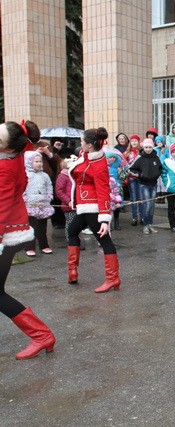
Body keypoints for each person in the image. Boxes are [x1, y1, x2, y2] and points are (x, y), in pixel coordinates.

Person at [0, 120, 56, 359]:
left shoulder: (6, 166)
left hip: (6, 234)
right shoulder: (13, 158)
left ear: (9, 148)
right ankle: (42, 335)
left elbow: (1, 206)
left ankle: (42, 335)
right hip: (11, 231)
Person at [67, 127, 123, 293]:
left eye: (82, 142)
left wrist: (105, 219)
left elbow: (104, 190)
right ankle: (72, 271)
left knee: (104, 241)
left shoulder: (99, 165)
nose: (80, 144)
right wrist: (73, 199)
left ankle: (113, 279)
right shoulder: (84, 155)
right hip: (83, 206)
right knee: (72, 231)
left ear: (90, 145)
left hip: (93, 208)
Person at [22, 151, 55, 256]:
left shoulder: (44, 175)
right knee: (31, 227)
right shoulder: (25, 175)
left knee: (42, 227)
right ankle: (29, 247)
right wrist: (24, 197)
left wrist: (49, 195)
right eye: (36, 161)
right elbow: (21, 187)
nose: (39, 163)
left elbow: (49, 186)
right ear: (28, 162)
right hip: (30, 205)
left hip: (43, 204)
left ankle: (44, 245)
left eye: (40, 161)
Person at [128, 138, 163, 234]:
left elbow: (160, 168)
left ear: (152, 148)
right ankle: (145, 225)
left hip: (153, 184)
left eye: (150, 147)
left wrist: (157, 174)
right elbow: (131, 169)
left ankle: (150, 224)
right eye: (146, 147)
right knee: (146, 205)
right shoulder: (140, 157)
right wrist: (140, 175)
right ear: (143, 148)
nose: (148, 149)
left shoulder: (156, 157)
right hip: (144, 185)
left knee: (152, 206)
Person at [55, 156, 84, 250]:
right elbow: (59, 191)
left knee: (78, 223)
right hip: (69, 205)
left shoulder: (75, 176)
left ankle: (77, 241)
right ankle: (71, 242)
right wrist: (68, 201)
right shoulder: (62, 176)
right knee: (70, 223)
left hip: (78, 204)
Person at [104, 150, 125, 230]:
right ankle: (109, 223)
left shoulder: (117, 167)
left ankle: (117, 223)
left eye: (113, 157)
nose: (112, 159)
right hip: (108, 188)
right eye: (110, 157)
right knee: (109, 207)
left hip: (116, 188)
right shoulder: (104, 167)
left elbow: (122, 176)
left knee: (117, 207)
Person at [126, 134, 141, 226]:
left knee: (141, 198)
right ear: (130, 143)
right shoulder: (127, 153)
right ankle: (134, 217)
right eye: (132, 141)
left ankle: (142, 216)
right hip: (131, 178)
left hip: (140, 177)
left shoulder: (141, 152)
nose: (134, 142)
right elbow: (124, 164)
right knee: (134, 198)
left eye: (136, 140)